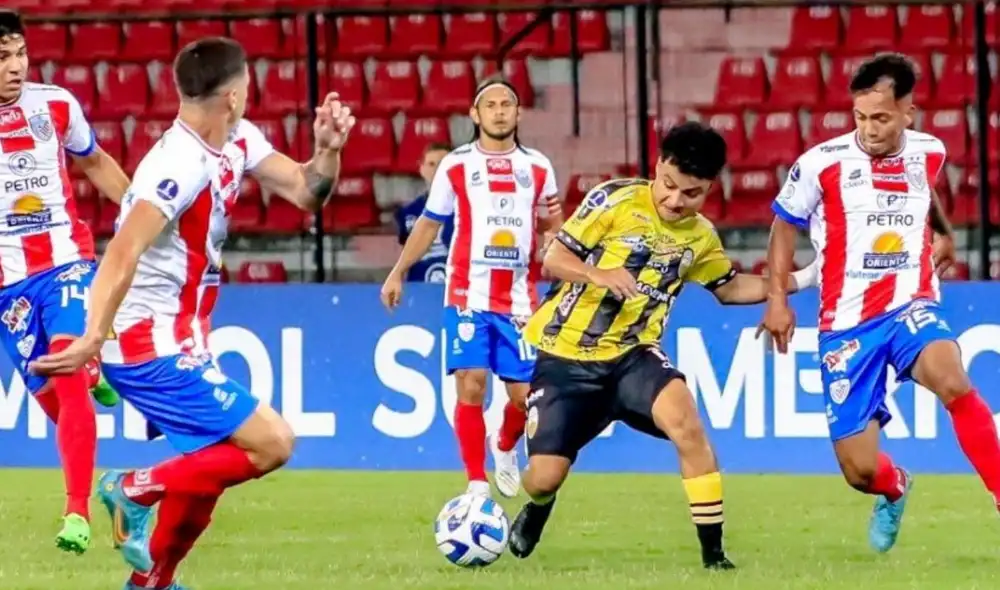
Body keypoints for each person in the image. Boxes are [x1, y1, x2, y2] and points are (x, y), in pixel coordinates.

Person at [29, 37, 354, 590]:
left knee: (209, 473)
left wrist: (327, 150)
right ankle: (131, 489)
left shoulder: (237, 139)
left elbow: (306, 192)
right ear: (233, 96)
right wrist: (92, 337)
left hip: (184, 337)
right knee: (273, 442)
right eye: (247, 85)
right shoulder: (176, 165)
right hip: (145, 344)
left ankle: (152, 583)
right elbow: (122, 251)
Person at [508, 121, 816, 569]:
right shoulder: (614, 199)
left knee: (687, 426)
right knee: (541, 480)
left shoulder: (700, 236)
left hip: (634, 357)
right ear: (657, 166)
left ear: (709, 188)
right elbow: (555, 257)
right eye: (668, 185)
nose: (675, 200)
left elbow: (729, 288)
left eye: (691, 193)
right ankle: (538, 508)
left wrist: (803, 279)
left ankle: (714, 558)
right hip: (566, 357)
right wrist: (598, 274)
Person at [760, 53, 1000, 554]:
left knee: (953, 380)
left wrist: (945, 234)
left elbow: (925, 191)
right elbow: (784, 227)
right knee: (860, 470)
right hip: (846, 325)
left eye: (881, 118)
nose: (869, 129)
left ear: (909, 112)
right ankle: (895, 488)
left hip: (910, 303)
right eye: (860, 117)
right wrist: (777, 300)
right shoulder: (821, 163)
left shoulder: (930, 151)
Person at [381, 77, 562, 499]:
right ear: (475, 115)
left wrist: (555, 244)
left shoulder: (538, 166)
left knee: (525, 397)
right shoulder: (456, 165)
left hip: (519, 297)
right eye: (490, 105)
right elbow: (430, 223)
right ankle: (476, 483)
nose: (499, 111)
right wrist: (398, 271)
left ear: (518, 113)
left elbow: (553, 222)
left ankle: (504, 444)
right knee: (471, 381)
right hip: (466, 293)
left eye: (506, 104)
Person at [0, 9, 128, 554]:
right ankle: (118, 489)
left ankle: (76, 513)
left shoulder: (55, 104)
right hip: (9, 289)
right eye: (3, 57)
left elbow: (95, 162)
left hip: (66, 263)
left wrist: (145, 218)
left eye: (21, 54)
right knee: (58, 405)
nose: (16, 67)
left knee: (69, 376)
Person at [393, 142, 454, 283]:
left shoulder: (470, 207)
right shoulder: (408, 212)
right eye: (431, 164)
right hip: (419, 286)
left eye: (442, 164)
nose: (437, 170)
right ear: (421, 169)